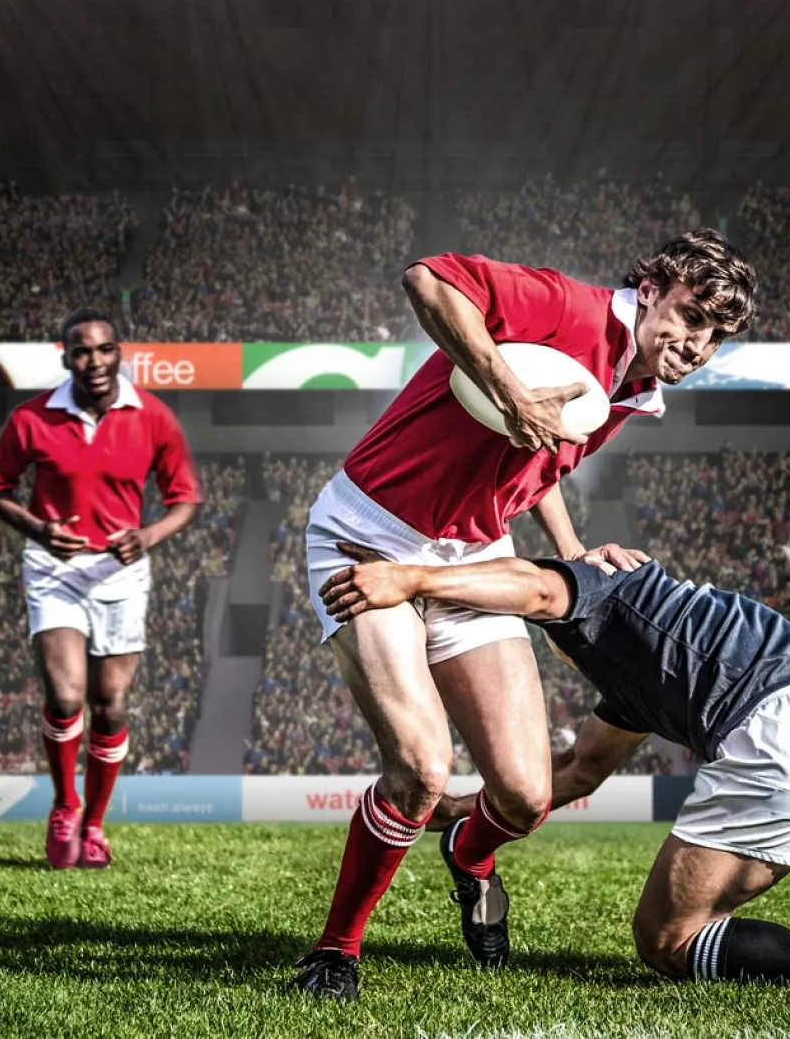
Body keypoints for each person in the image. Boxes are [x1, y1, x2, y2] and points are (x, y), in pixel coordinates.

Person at [294, 229, 757, 999]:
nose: (697, 341)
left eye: (715, 332)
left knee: (524, 793)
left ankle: (469, 855)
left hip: (472, 554)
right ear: (651, 289)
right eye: (689, 314)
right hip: (367, 537)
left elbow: (538, 459)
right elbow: (429, 278)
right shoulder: (568, 306)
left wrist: (576, 548)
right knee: (419, 767)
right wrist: (506, 387)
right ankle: (336, 950)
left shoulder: (636, 387)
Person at [322, 546, 790, 987]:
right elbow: (582, 766)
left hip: (783, 728)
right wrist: (462, 811)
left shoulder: (604, 584)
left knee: (669, 939)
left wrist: (410, 580)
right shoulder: (638, 671)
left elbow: (537, 586)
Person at [0, 309, 202, 870]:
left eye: (104, 350)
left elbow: (185, 499)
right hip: (54, 569)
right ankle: (66, 806)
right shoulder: (32, 417)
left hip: (121, 572)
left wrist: (147, 535)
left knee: (110, 706)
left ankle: (96, 825)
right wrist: (40, 529)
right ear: (66, 357)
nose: (94, 361)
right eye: (82, 351)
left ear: (119, 353)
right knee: (67, 697)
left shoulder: (152, 415)